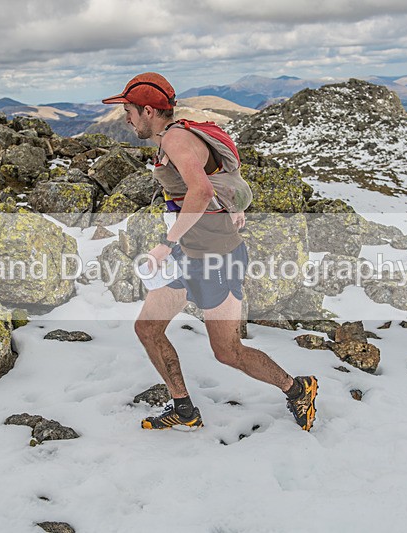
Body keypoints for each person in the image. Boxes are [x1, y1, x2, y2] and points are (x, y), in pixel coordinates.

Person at [102, 73, 318, 432]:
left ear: (150, 111)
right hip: (189, 256)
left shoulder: (176, 139)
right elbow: (213, 180)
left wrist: (166, 243)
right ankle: (185, 409)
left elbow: (200, 191)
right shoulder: (174, 136)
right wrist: (230, 205)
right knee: (148, 329)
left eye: (129, 110)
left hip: (218, 260)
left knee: (227, 352)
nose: (125, 117)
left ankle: (298, 389)